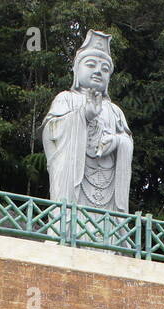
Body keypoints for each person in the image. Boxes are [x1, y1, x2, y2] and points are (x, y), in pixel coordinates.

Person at [42, 30, 133, 213]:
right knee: (74, 220)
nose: (98, 71)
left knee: (106, 228)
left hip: (108, 188)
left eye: (105, 69)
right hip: (75, 185)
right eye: (91, 65)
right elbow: (50, 133)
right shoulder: (66, 99)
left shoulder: (115, 111)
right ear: (76, 70)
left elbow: (127, 141)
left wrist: (116, 141)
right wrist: (83, 115)